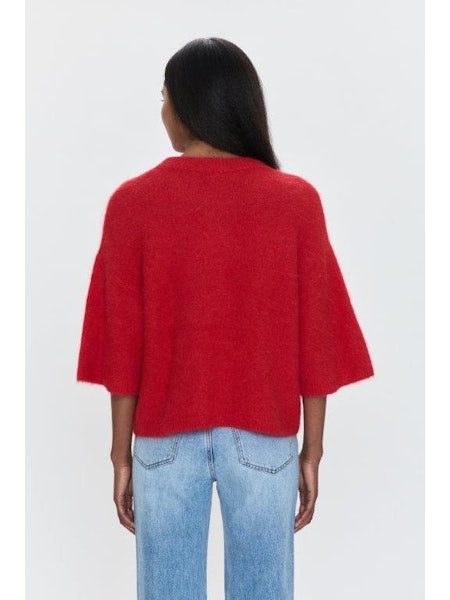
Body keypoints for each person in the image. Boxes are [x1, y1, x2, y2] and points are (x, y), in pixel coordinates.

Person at [76, 37, 374, 600]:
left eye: (164, 97)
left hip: (164, 438)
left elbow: (122, 347)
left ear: (188, 107)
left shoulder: (132, 203)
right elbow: (316, 337)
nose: (163, 111)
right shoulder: (295, 201)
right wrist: (313, 449)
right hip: (264, 436)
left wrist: (120, 454)